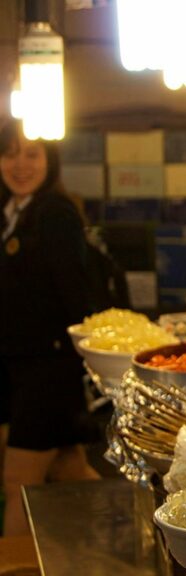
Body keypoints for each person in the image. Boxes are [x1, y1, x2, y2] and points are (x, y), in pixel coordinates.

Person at [0, 120, 100, 536]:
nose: (20, 164)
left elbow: (76, 293)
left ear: (50, 160)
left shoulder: (54, 213)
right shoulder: (11, 212)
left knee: (18, 481)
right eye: (10, 153)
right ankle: (118, 543)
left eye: (33, 154)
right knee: (69, 468)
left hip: (48, 368)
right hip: (18, 367)